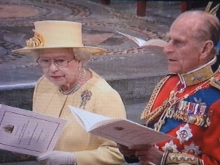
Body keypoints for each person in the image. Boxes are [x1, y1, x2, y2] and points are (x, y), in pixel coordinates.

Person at [12, 20, 126, 165]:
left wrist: (73, 159)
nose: (52, 69)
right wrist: (24, 146)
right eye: (45, 61)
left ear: (80, 60)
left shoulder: (104, 95)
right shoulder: (44, 83)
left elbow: (117, 153)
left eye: (60, 61)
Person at [118, 10, 220, 165]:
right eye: (169, 40)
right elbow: (156, 134)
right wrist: (133, 149)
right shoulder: (171, 82)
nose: (166, 49)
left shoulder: (216, 96)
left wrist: (164, 159)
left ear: (205, 49)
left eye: (178, 42)